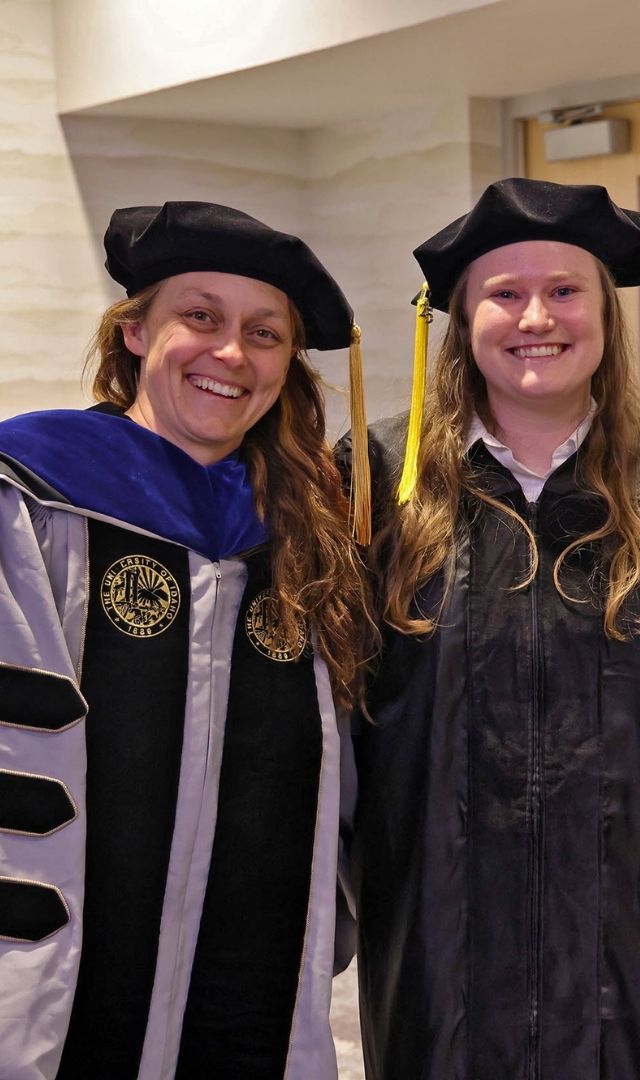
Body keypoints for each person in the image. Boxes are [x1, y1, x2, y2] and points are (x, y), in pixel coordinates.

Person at [334, 177, 640, 1079]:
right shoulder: (380, 482)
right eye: (503, 294)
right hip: (439, 943)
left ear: (605, 316)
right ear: (460, 319)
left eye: (565, 290)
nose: (535, 316)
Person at [0, 201, 374, 1078]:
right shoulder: (35, 493)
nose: (231, 354)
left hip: (255, 980)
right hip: (54, 981)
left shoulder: (305, 529)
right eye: (198, 317)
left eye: (265, 332)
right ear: (134, 333)